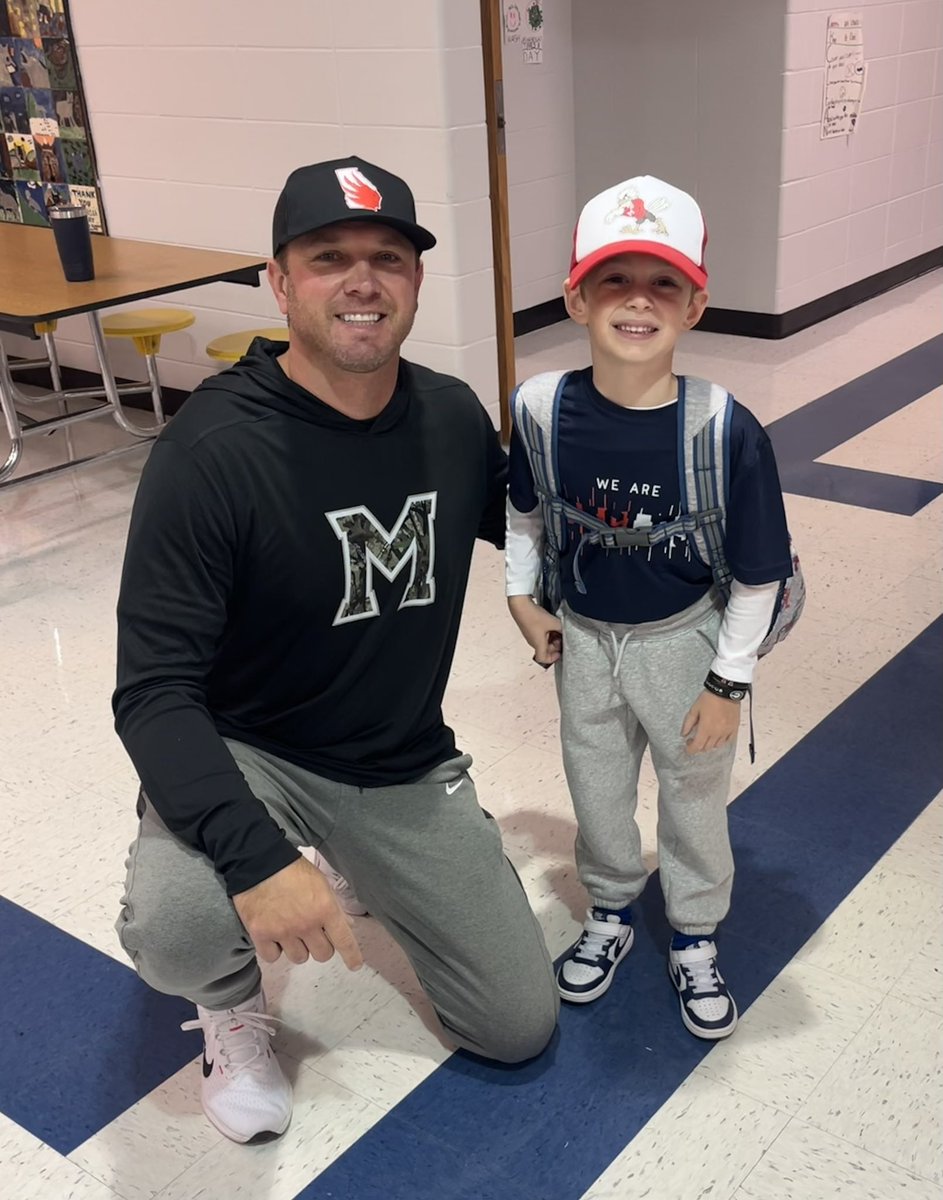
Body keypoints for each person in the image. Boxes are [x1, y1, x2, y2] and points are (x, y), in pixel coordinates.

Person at [113, 156, 558, 1145]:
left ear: (413, 281)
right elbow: (152, 694)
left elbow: (523, 525)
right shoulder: (209, 454)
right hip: (249, 747)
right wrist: (257, 858)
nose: (362, 280)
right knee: (179, 929)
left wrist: (661, 570)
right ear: (279, 281)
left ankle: (372, 862)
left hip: (397, 756)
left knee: (516, 1027)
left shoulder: (446, 415)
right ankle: (231, 1008)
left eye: (387, 258)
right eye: (329, 258)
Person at [505, 176, 793, 1040]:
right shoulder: (540, 409)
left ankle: (696, 932)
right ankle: (610, 912)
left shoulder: (722, 428)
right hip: (586, 642)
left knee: (693, 793)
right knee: (594, 786)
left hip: (682, 643)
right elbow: (523, 511)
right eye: (613, 279)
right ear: (574, 297)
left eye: (663, 282)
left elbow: (756, 575)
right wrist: (521, 597)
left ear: (695, 304)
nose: (638, 300)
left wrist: (725, 683)